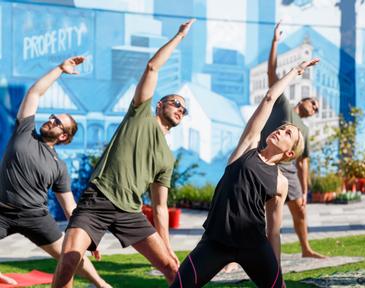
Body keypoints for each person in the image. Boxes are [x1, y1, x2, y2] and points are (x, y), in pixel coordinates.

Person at [52, 19, 196, 288]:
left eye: (184, 110)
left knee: (171, 267)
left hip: (130, 211)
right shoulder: (139, 114)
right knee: (70, 258)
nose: (180, 109)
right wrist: (179, 36)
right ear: (160, 104)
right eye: (176, 103)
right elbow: (153, 67)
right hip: (97, 200)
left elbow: (161, 207)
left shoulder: (167, 157)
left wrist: (166, 246)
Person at [170, 58, 320, 288]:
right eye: (282, 128)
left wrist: (276, 273)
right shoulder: (247, 148)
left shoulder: (280, 182)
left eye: (288, 133)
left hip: (254, 246)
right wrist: (295, 72)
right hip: (215, 242)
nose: (281, 131)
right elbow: (270, 98)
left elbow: (274, 232)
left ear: (290, 154)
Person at [0, 57, 111, 288]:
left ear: (63, 136)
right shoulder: (25, 131)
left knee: (69, 255)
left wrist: (87, 239)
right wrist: (60, 69)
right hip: (2, 210)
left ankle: (100, 284)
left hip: (34, 216)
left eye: (57, 122)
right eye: (51, 117)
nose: (50, 120)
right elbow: (34, 94)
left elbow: (70, 209)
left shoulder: (59, 167)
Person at [263, 21, 325, 259]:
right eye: (313, 104)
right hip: (270, 165)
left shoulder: (305, 131)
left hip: (290, 173)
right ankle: (238, 257)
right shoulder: (284, 107)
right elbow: (272, 74)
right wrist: (275, 42)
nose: (315, 108)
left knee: (300, 211)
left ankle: (306, 249)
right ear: (303, 101)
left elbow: (303, 163)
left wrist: (305, 191)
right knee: (260, 215)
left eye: (318, 108)